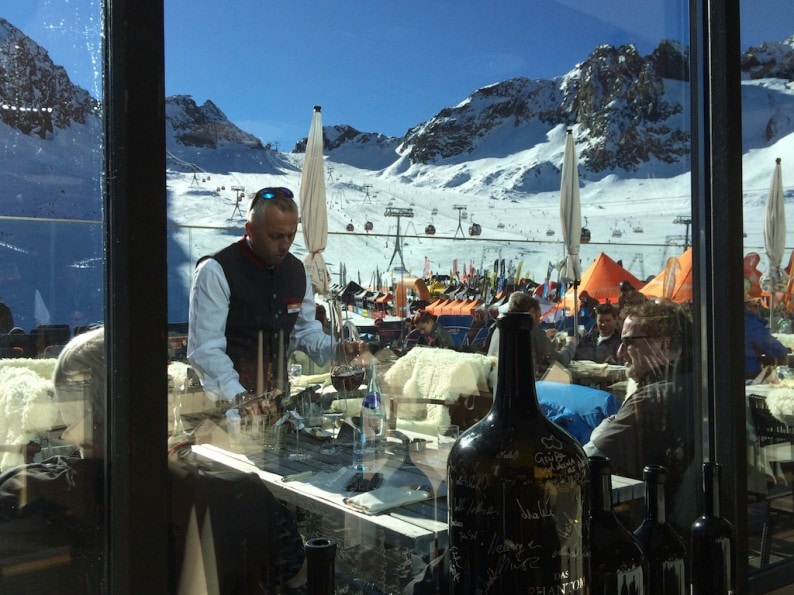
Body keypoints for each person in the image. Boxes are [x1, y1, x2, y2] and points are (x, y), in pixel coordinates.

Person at [187, 187, 358, 408]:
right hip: (222, 406)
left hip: (277, 402)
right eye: (276, 236)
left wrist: (335, 349)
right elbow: (206, 350)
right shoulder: (215, 270)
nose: (285, 244)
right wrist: (239, 397)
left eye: (291, 235)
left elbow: (305, 332)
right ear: (250, 230)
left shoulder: (297, 271)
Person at [584, 301, 695, 531]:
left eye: (628, 342)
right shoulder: (694, 383)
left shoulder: (651, 400)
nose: (619, 352)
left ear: (663, 344)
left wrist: (604, 426)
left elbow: (589, 458)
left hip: (653, 527)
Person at [488, 292, 576, 378]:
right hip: (528, 388)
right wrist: (571, 344)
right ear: (532, 312)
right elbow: (561, 361)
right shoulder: (530, 330)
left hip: (496, 384)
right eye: (538, 316)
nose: (539, 321)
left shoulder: (500, 327)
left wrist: (544, 336)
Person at [744, 296, 789, 379]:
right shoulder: (752, 325)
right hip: (748, 374)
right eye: (756, 306)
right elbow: (777, 350)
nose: (758, 310)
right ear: (748, 308)